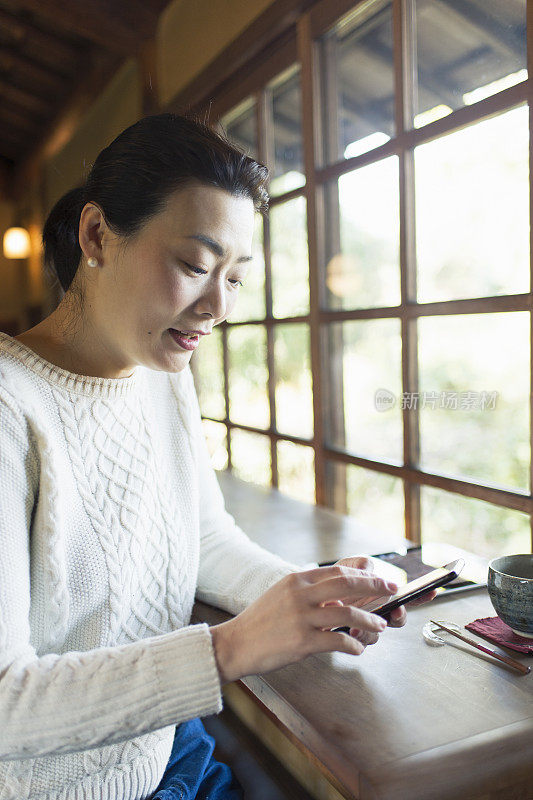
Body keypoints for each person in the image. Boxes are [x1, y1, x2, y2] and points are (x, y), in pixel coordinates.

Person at [0, 113, 436, 800]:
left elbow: (200, 537)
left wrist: (307, 595)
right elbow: (6, 703)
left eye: (234, 278)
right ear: (96, 236)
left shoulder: (162, 373)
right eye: (194, 266)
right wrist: (232, 648)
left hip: (172, 748)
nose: (216, 307)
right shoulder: (9, 407)